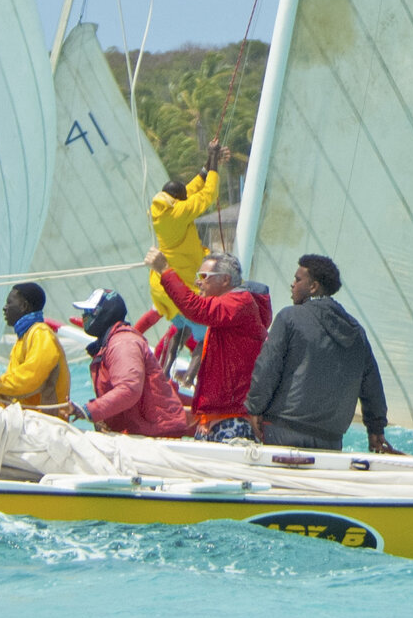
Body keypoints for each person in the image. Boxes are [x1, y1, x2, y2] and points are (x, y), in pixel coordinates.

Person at [246, 253, 397, 453]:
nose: (292, 284)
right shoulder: (357, 331)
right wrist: (375, 429)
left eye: (298, 279)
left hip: (283, 429)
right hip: (330, 439)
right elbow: (372, 386)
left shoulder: (289, 318)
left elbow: (267, 368)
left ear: (313, 287)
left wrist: (254, 408)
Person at [146, 244, 271, 440]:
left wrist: (165, 270)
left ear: (225, 280)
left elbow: (195, 308)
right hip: (216, 418)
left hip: (232, 420)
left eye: (204, 277)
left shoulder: (238, 303)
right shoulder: (228, 309)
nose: (198, 282)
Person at [74, 289, 190, 437]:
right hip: (141, 432)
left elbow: (129, 390)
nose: (84, 316)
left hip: (155, 433)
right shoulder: (108, 344)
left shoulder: (123, 343)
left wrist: (88, 411)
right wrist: (101, 417)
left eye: (89, 311)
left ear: (104, 313)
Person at [0, 283, 72, 415]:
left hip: (48, 425)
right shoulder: (22, 340)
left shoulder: (41, 333)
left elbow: (30, 379)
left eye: (9, 303)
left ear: (24, 306)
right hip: (29, 422)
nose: (5, 308)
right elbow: (11, 394)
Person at [146, 142, 223, 340]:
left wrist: (208, 164)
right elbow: (208, 195)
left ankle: (170, 368)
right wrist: (214, 159)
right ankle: (192, 372)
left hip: (162, 289)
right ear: (178, 200)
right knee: (208, 333)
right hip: (183, 286)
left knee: (180, 332)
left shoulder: (164, 208)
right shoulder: (178, 213)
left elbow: (190, 189)